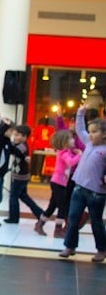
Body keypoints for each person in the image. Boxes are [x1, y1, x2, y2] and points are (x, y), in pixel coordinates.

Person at [59, 108, 106, 262]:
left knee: (96, 221)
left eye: (94, 132)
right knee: (73, 217)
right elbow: (80, 129)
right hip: (79, 187)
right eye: (90, 131)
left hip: (96, 193)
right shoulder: (89, 143)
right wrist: (80, 114)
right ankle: (70, 246)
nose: (90, 134)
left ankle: (102, 249)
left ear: (104, 134)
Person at [33, 130, 82, 238]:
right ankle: (58, 230)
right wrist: (79, 155)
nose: (73, 140)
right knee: (62, 207)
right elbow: (71, 162)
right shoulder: (64, 153)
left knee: (52, 206)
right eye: (71, 138)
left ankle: (39, 224)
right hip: (58, 183)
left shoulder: (67, 151)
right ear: (64, 141)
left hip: (60, 183)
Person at [3, 124, 44, 225]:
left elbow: (13, 150)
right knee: (24, 196)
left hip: (19, 177)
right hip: (21, 176)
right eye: (14, 135)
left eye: (17, 135)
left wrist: (7, 139)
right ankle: (40, 213)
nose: (15, 137)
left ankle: (13, 218)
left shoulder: (22, 146)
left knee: (13, 197)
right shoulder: (22, 145)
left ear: (25, 137)